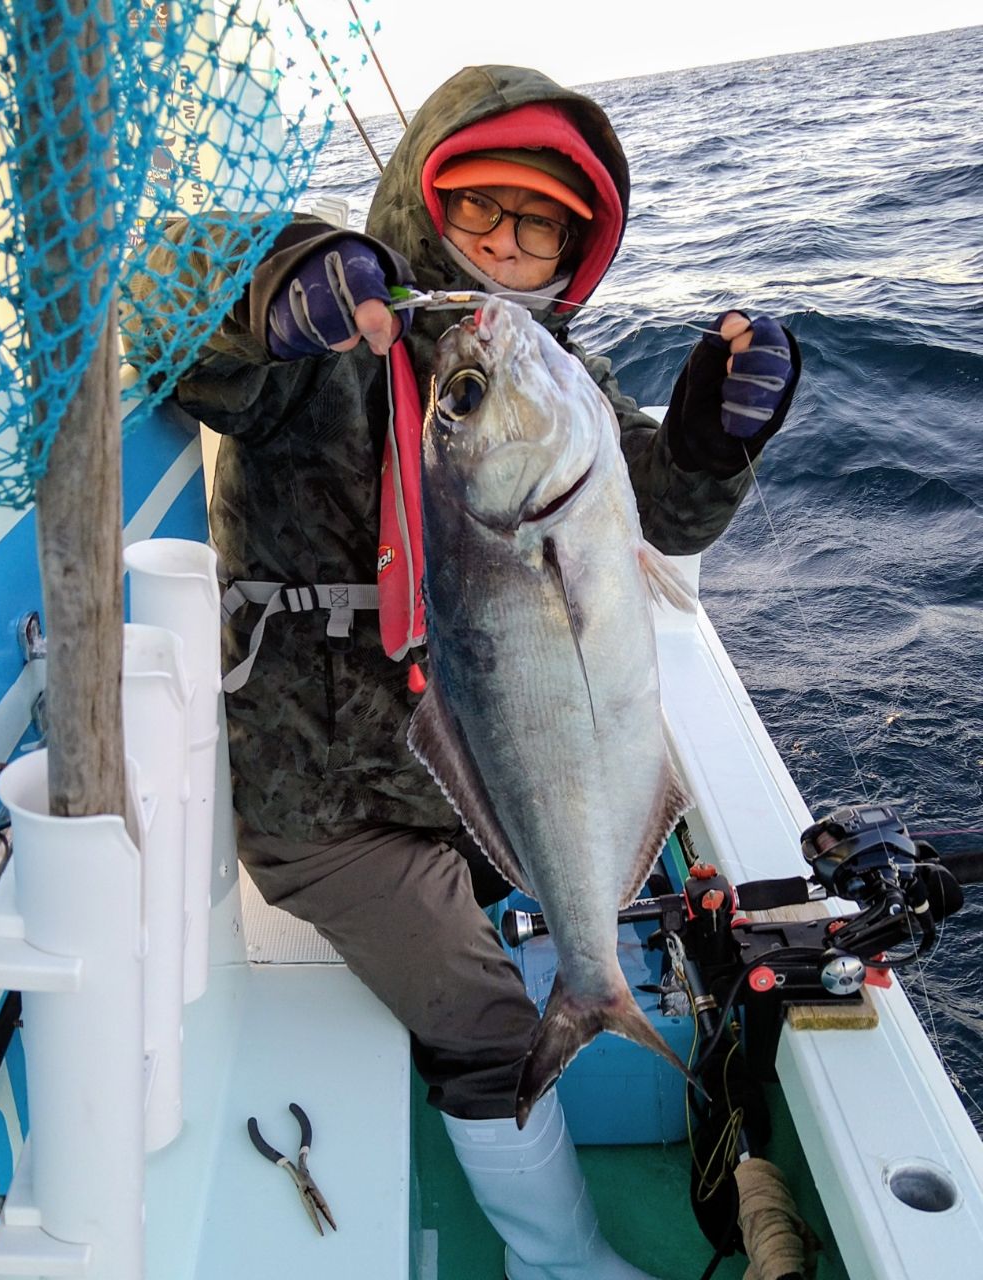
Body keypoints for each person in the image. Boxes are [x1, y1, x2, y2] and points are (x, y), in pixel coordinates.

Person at [124, 63, 800, 1280]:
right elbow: (164, 298)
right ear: (421, 197)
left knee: (530, 907)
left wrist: (707, 446)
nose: (502, 240)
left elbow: (654, 507)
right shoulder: (319, 350)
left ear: (573, 251)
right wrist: (274, 280)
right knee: (491, 1029)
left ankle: (540, 941)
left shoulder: (545, 373)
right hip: (328, 806)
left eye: (538, 222)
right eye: (478, 204)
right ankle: (563, 1258)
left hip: (472, 775)